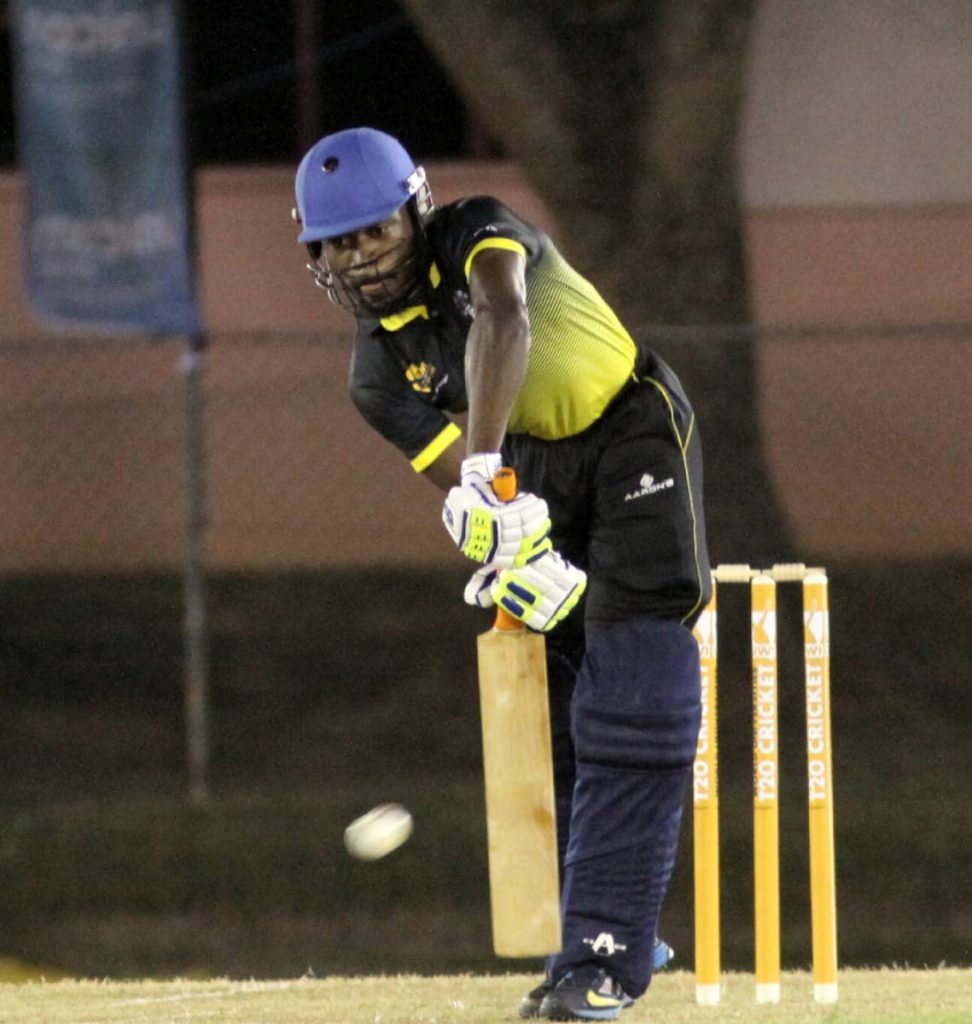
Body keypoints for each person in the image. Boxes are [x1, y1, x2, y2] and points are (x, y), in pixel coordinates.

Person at [293, 127, 711, 1022]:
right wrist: (509, 545)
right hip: (533, 473)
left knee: (634, 673)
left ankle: (602, 956)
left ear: (417, 209)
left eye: (373, 231)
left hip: (629, 423)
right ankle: (620, 919)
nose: (358, 259)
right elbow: (470, 493)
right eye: (334, 243)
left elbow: (505, 317)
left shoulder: (478, 231)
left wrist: (484, 468)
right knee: (566, 699)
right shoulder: (376, 377)